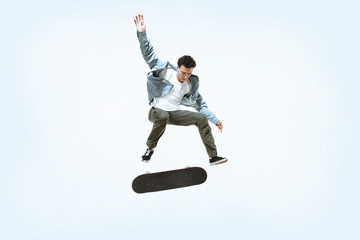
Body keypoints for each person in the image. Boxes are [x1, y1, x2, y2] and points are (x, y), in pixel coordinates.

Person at [134, 14, 228, 166]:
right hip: (156, 113)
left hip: (174, 114)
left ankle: (213, 157)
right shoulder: (164, 71)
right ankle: (150, 148)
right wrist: (142, 33)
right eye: (183, 72)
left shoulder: (190, 86)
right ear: (177, 67)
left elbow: (201, 106)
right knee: (163, 115)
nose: (185, 76)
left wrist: (215, 120)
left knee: (201, 119)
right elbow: (148, 52)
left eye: (189, 74)